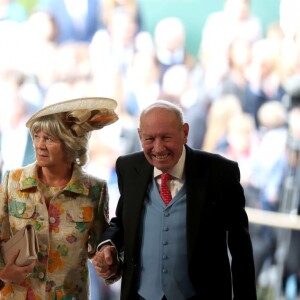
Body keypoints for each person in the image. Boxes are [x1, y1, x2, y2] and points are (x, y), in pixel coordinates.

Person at [92, 99, 257, 300]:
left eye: (166, 137)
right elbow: (122, 222)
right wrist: (109, 245)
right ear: (139, 136)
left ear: (185, 132)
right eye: (150, 139)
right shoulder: (128, 168)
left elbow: (241, 248)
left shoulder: (220, 173)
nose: (158, 148)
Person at [0, 96, 118, 299]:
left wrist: (109, 264)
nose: (40, 145)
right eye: (36, 136)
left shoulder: (95, 190)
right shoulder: (13, 181)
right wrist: (2, 275)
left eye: (49, 139)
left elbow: (101, 253)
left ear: (70, 144)